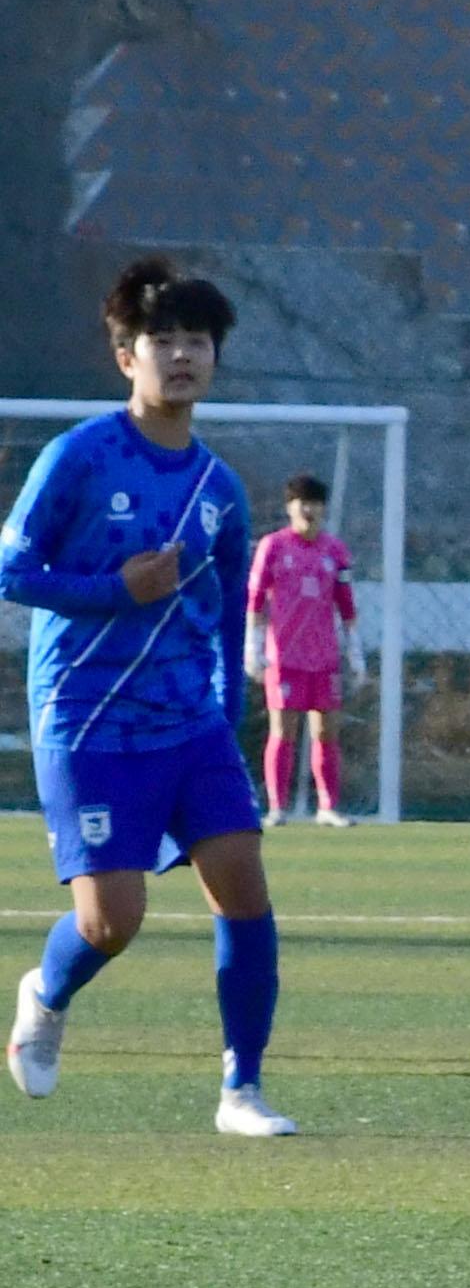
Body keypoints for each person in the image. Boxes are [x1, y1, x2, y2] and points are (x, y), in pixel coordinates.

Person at [3, 256, 292, 1134]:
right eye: (160, 340)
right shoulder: (79, 457)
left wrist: (226, 708)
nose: (180, 355)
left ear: (214, 357)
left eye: (195, 340)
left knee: (242, 884)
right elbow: (12, 569)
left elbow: (227, 602)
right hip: (86, 719)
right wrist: (114, 590)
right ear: (126, 356)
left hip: (189, 724)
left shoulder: (220, 489)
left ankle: (241, 1089)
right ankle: (45, 997)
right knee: (110, 923)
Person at [248, 472, 359, 827]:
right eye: (301, 503)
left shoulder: (335, 551)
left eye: (314, 503)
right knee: (283, 730)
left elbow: (346, 606)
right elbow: (254, 600)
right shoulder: (274, 547)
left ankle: (327, 807)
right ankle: (277, 808)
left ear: (323, 509)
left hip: (324, 657)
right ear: (290, 507)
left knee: (326, 732)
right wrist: (252, 646)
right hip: (284, 656)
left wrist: (355, 652)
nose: (308, 509)